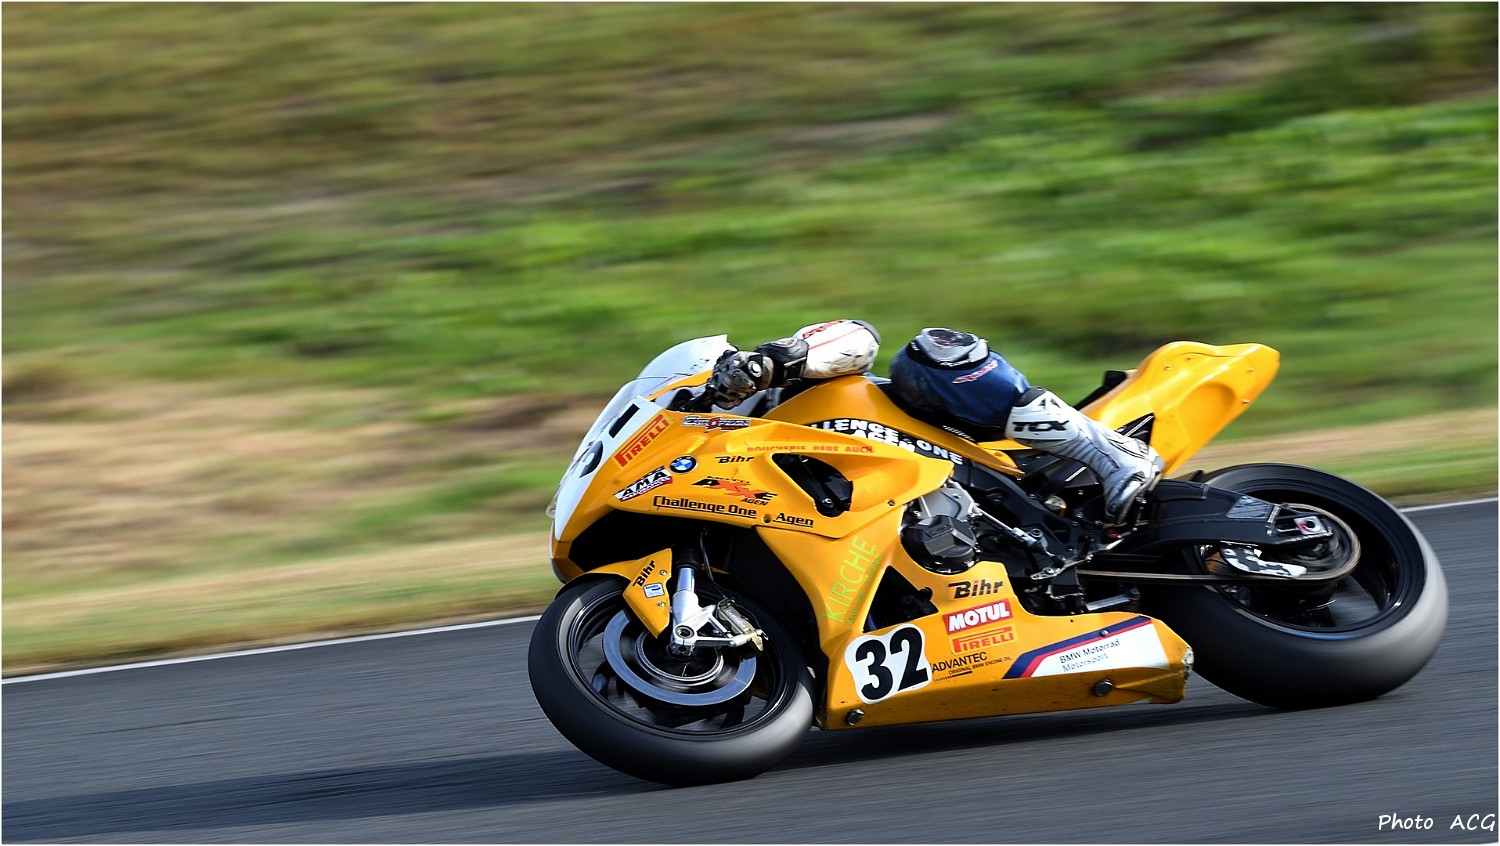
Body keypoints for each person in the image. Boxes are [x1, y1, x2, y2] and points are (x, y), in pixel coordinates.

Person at [699, 319, 1163, 522]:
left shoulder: (773, 388)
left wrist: (774, 361)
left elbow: (859, 337)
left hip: (955, 439)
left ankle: (1112, 454)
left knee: (927, 356)